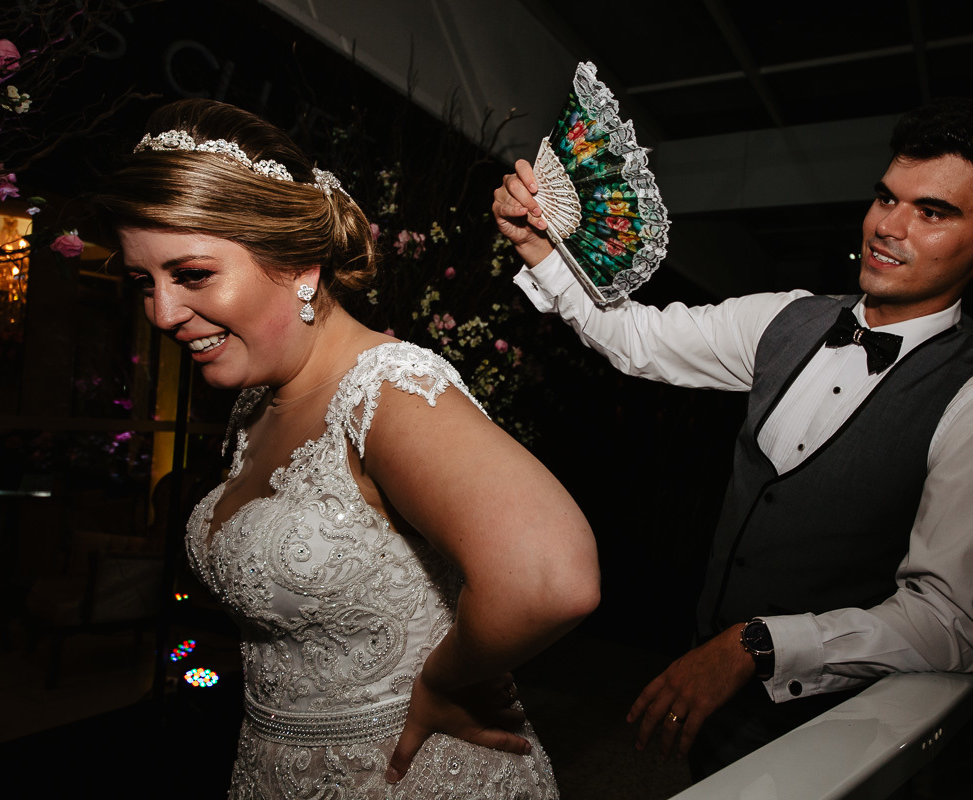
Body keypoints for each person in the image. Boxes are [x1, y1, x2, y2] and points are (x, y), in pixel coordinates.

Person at [492, 96, 973, 776]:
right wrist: (542, 252)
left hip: (843, 731)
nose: (888, 226)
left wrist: (757, 646)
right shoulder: (787, 319)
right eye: (886, 197)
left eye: (931, 212)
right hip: (709, 700)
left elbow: (952, 620)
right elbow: (636, 339)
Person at [96, 99, 600, 798]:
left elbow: (550, 577)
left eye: (192, 274)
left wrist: (445, 680)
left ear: (300, 262)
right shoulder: (253, 402)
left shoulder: (386, 393)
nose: (161, 312)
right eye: (141, 282)